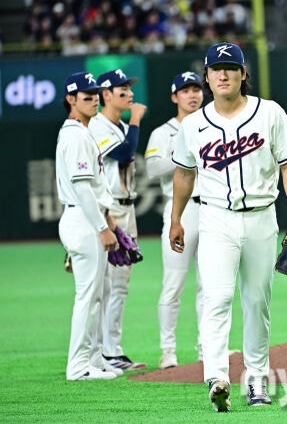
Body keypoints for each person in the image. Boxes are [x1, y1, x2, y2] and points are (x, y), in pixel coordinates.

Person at [169, 42, 287, 412]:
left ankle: (257, 380)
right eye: (216, 69)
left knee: (257, 301)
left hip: (261, 216)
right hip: (216, 218)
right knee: (216, 298)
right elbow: (184, 174)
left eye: (231, 68)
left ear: (243, 73)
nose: (224, 74)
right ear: (208, 76)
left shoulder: (270, 113)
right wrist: (176, 218)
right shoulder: (193, 125)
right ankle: (216, 377)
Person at [56, 71, 120, 380]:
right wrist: (101, 227)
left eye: (95, 95)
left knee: (100, 292)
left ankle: (95, 360)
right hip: (83, 220)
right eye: (87, 96)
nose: (94, 100)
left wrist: (105, 218)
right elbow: (82, 187)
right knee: (89, 296)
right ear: (71, 99)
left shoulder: (80, 131)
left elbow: (90, 187)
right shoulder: (77, 136)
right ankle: (79, 367)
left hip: (87, 217)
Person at [145, 71, 205, 369]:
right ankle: (167, 350)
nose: (192, 95)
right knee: (173, 284)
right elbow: (152, 169)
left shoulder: (212, 124)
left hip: (212, 209)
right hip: (181, 211)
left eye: (196, 89)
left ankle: (207, 348)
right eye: (185, 90)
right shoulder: (163, 132)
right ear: (174, 97)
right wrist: (187, 153)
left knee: (210, 286)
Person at [89, 68, 148, 369]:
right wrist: (136, 119)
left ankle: (112, 350)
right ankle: (99, 352)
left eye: (130, 88)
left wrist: (131, 123)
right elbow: (124, 154)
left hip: (128, 208)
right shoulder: (97, 126)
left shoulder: (121, 127)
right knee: (105, 285)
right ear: (106, 95)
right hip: (109, 210)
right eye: (122, 89)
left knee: (120, 283)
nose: (130, 93)